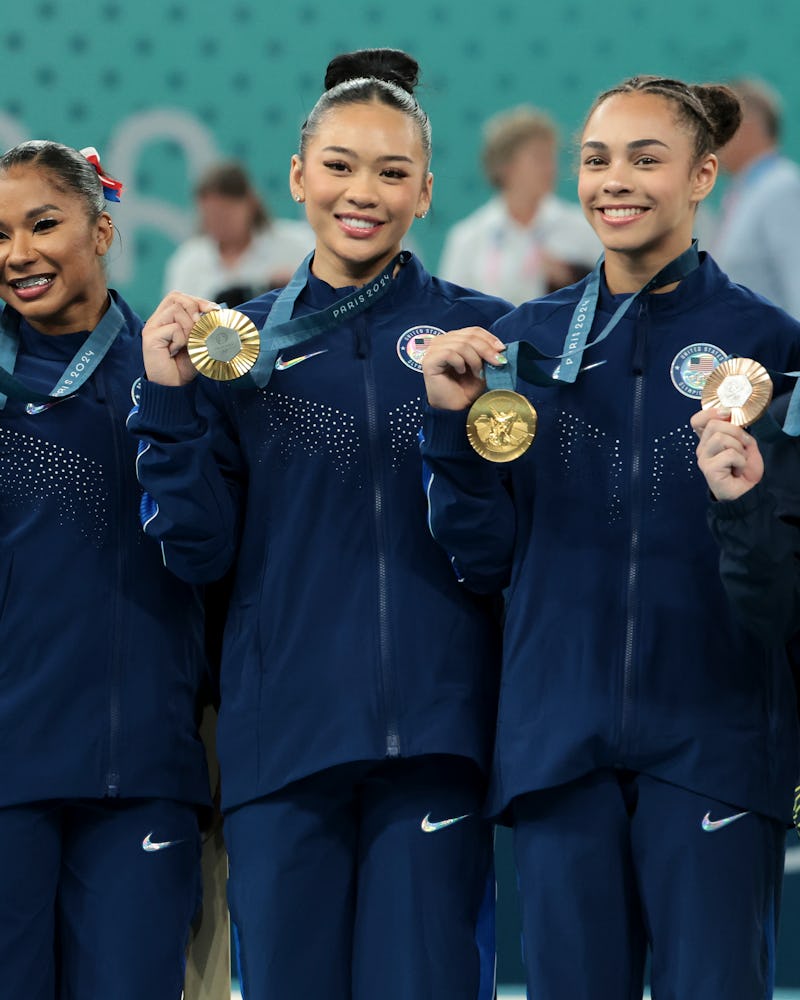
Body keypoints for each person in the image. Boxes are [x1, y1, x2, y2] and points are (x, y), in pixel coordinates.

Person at [128, 48, 511, 999]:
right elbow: (197, 548)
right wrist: (171, 403)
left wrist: (455, 423)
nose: (363, 192)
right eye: (339, 165)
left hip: (438, 740)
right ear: (298, 176)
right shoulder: (234, 350)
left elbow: (502, 553)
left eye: (392, 172)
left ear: (427, 191)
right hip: (282, 745)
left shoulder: (493, 337)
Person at [420, 75, 800, 999]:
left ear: (704, 173)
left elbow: (783, 590)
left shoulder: (772, 349)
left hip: (713, 742)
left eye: (644, 158)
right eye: (595, 160)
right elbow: (485, 556)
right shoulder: (523, 344)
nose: (612, 181)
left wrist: (745, 505)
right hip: (561, 748)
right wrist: (453, 438)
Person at [0, 141, 211, 999]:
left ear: (103, 228)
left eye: (42, 223)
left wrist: (169, 397)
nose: (17, 253)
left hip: (141, 774)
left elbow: (208, 552)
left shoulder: (176, 369)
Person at [438, 105, 601, 304]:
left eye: (552, 157)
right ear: (505, 165)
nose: (551, 167)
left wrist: (572, 277)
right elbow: (449, 311)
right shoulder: (468, 238)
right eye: (539, 157)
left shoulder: (584, 227)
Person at [162, 160, 314, 305]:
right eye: (210, 215)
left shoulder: (298, 244)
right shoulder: (188, 262)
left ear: (250, 204)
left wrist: (302, 285)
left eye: (225, 213)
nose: (218, 222)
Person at [711, 77, 800, 319]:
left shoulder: (781, 189)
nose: (713, 141)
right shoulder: (742, 192)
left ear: (745, 128)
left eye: (720, 127)